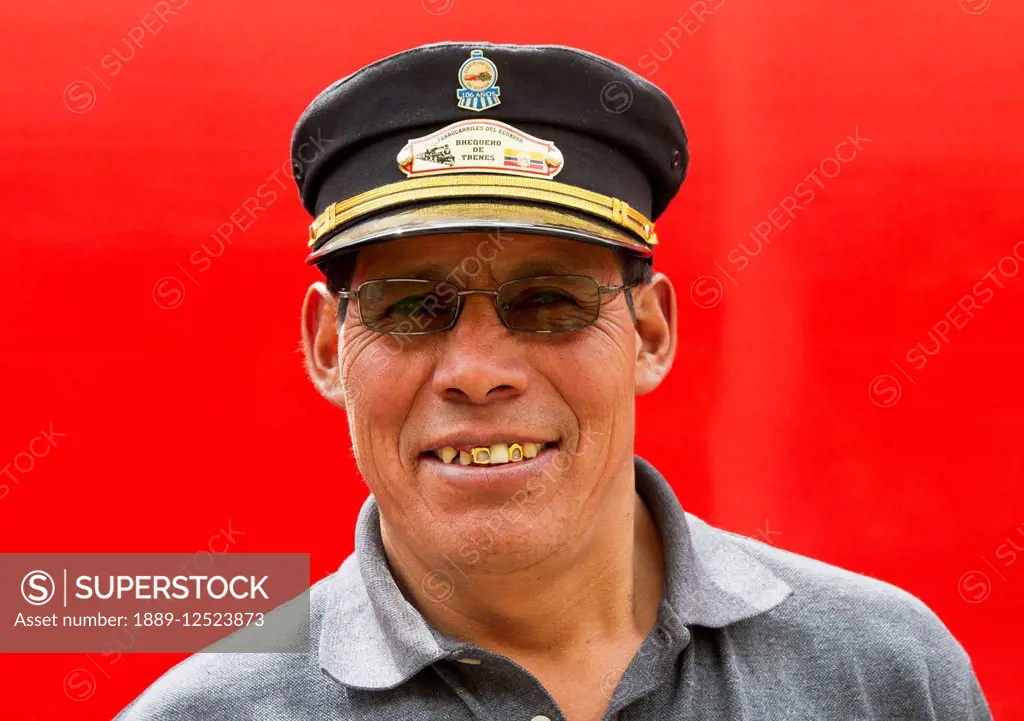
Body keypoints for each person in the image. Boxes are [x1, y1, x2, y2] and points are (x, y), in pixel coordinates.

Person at [117, 41, 991, 721]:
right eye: (413, 308)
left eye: (548, 302)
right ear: (327, 347)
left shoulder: (884, 672)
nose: (477, 371)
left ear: (649, 332)